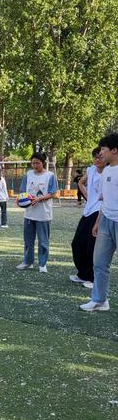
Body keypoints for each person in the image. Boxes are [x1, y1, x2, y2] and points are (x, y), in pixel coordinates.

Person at [80, 133, 118, 312]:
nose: (100, 153)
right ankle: (99, 300)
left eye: (103, 149)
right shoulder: (106, 171)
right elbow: (104, 200)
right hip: (105, 222)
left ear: (114, 150)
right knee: (100, 263)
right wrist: (97, 222)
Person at [16, 152, 58, 273]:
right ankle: (28, 262)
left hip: (44, 214)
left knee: (43, 240)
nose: (35, 165)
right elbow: (23, 191)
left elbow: (53, 193)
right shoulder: (28, 175)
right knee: (28, 240)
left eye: (37, 163)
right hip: (29, 213)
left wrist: (39, 199)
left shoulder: (50, 176)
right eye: (33, 163)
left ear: (43, 163)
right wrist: (20, 200)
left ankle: (42, 264)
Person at [70, 148, 105, 289]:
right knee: (77, 243)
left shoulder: (109, 173)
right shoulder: (91, 170)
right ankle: (82, 274)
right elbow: (80, 183)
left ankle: (92, 277)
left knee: (92, 246)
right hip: (88, 210)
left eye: (100, 157)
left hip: (100, 212)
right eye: (95, 157)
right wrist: (89, 198)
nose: (97, 160)